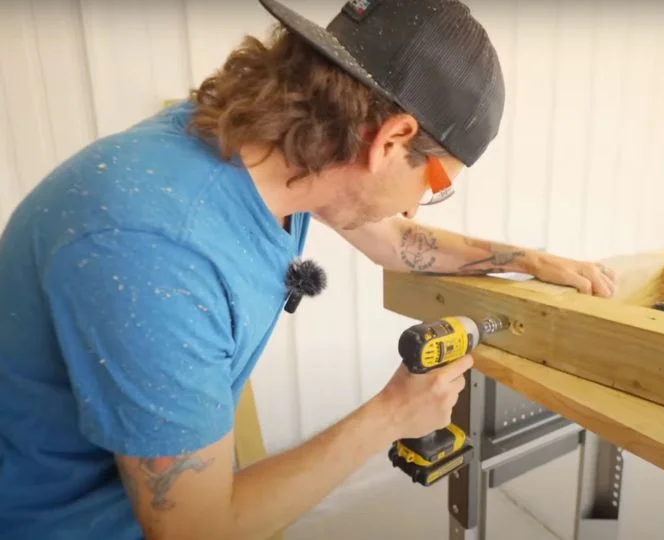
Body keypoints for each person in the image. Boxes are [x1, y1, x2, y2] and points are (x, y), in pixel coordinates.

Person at [0, 1, 618, 539]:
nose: (412, 205)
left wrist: (524, 260)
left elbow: (395, 240)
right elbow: (195, 530)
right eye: (433, 184)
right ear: (392, 140)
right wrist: (395, 414)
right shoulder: (156, 251)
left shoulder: (272, 154)